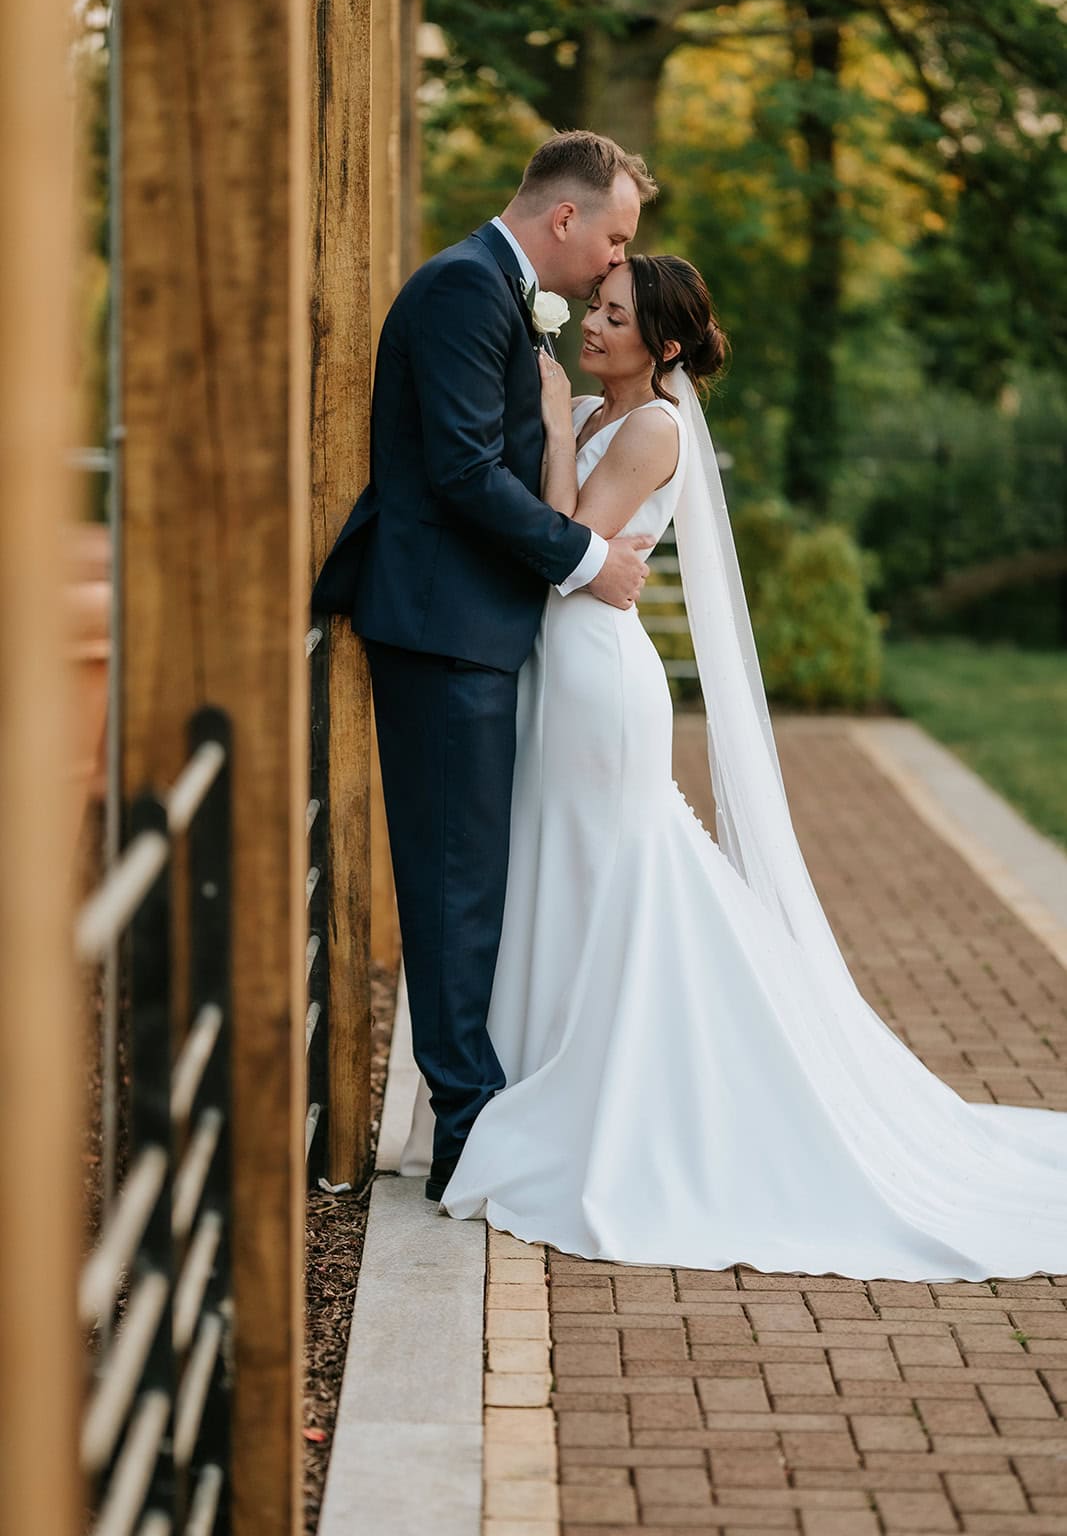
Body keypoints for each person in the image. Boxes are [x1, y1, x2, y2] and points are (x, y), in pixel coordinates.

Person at [437, 253, 1067, 1281]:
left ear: (664, 346)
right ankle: (544, 1074)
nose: (590, 327)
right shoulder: (606, 416)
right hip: (558, 666)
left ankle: (618, 1095)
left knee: (612, 873)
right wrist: (557, 422)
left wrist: (551, 425)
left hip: (599, 683)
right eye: (591, 309)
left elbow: (565, 541)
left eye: (611, 316)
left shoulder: (648, 428)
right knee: (563, 868)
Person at [312, 132, 659, 1201]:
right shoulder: (465, 290)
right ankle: (467, 1132)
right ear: (564, 219)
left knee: (468, 876)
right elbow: (462, 471)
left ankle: (475, 1111)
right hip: (443, 627)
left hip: (468, 626)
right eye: (612, 237)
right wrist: (585, 555)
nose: (613, 263)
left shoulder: (491, 289)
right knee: (455, 882)